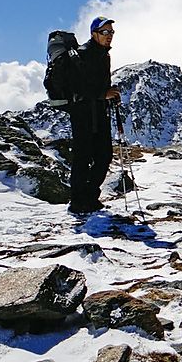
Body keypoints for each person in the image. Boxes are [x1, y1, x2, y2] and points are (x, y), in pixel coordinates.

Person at [68, 16, 121, 214]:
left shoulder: (104, 55)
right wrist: (102, 94)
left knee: (104, 155)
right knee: (83, 157)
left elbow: (99, 84)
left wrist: (109, 93)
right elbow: (77, 88)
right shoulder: (83, 54)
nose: (109, 36)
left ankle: (90, 197)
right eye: (105, 32)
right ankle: (78, 201)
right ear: (94, 34)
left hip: (99, 112)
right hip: (82, 113)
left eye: (111, 32)